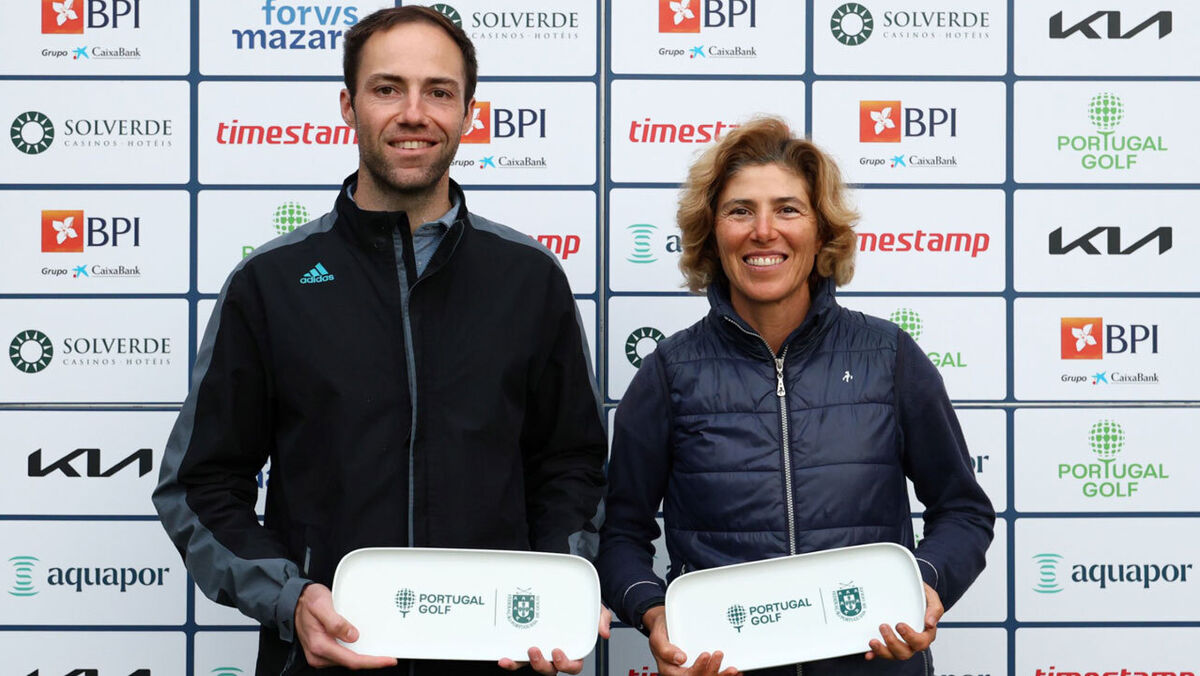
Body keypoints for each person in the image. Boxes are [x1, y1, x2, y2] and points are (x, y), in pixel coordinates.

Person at [153, 7, 607, 675]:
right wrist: (289, 596)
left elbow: (573, 467)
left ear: (468, 113)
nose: (414, 113)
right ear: (349, 105)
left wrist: (554, 590)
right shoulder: (270, 283)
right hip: (327, 660)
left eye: (439, 92)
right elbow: (200, 485)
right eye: (388, 88)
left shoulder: (529, 279)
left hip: (497, 659)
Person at [596, 117, 994, 676]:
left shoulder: (888, 356)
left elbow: (963, 510)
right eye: (740, 211)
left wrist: (926, 586)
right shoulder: (669, 373)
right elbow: (620, 535)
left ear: (822, 231)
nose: (764, 231)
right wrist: (652, 611)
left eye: (788, 209)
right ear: (712, 232)